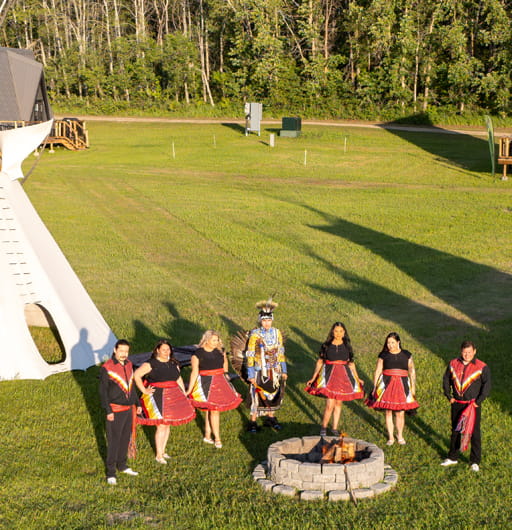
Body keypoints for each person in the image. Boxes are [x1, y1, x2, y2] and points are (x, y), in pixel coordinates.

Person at [134, 339, 196, 464]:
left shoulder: (174, 363)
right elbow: (136, 375)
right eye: (163, 349)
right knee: (161, 425)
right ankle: (158, 455)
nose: (166, 352)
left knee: (167, 424)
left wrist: (183, 392)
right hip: (158, 397)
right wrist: (144, 390)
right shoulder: (151, 364)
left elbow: (178, 378)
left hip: (173, 396)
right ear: (157, 350)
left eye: (168, 349)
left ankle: (163, 451)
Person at [306, 322, 364, 436]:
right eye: (336, 331)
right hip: (329, 377)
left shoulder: (347, 346)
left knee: (338, 404)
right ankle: (323, 427)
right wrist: (313, 377)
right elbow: (320, 362)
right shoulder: (326, 345)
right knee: (329, 404)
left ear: (344, 333)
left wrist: (358, 378)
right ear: (332, 332)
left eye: (341, 331)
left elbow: (351, 364)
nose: (338, 333)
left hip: (343, 377)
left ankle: (334, 428)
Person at [186, 330, 242, 448]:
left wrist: (226, 373)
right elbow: (194, 372)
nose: (216, 342)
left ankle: (208, 435)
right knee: (213, 410)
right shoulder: (198, 354)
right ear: (206, 340)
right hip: (206, 383)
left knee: (212, 409)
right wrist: (189, 389)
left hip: (220, 381)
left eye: (217, 340)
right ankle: (217, 438)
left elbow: (225, 362)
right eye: (213, 340)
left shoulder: (220, 351)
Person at [441, 340, 491, 472]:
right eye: (464, 352)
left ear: (475, 351)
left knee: (474, 432)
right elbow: (446, 379)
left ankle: (475, 461)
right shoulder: (453, 363)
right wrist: (449, 396)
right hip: (457, 403)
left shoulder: (482, 367)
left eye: (469, 352)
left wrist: (477, 402)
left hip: (472, 406)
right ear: (460, 351)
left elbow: (486, 386)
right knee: (455, 430)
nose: (467, 355)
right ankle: (453, 457)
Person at [99, 339, 141, 485]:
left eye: (126, 351)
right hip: (115, 410)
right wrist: (108, 410)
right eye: (121, 351)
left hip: (129, 409)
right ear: (115, 350)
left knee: (124, 438)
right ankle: (111, 472)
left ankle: (122, 465)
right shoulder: (107, 367)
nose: (124, 354)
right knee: (114, 441)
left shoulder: (129, 364)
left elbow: (131, 385)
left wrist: (137, 402)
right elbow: (103, 392)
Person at [366, 332, 419, 445]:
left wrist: (413, 387)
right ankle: (391, 437)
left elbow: (412, 371)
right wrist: (375, 387)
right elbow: (378, 370)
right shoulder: (383, 355)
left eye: (393, 342)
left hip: (402, 384)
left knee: (400, 412)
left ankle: (400, 436)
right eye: (388, 343)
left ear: (398, 342)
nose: (390, 345)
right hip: (386, 384)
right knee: (388, 411)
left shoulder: (406, 354)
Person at [245, 298, 288, 433]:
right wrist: (251, 374)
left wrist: (284, 369)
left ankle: (271, 417)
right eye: (264, 320)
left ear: (272, 320)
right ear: (260, 320)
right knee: (257, 395)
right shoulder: (255, 334)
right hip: (259, 370)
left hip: (274, 370)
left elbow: (280, 351)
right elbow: (250, 354)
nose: (267, 323)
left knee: (273, 393)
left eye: (269, 320)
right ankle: (253, 421)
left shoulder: (277, 332)